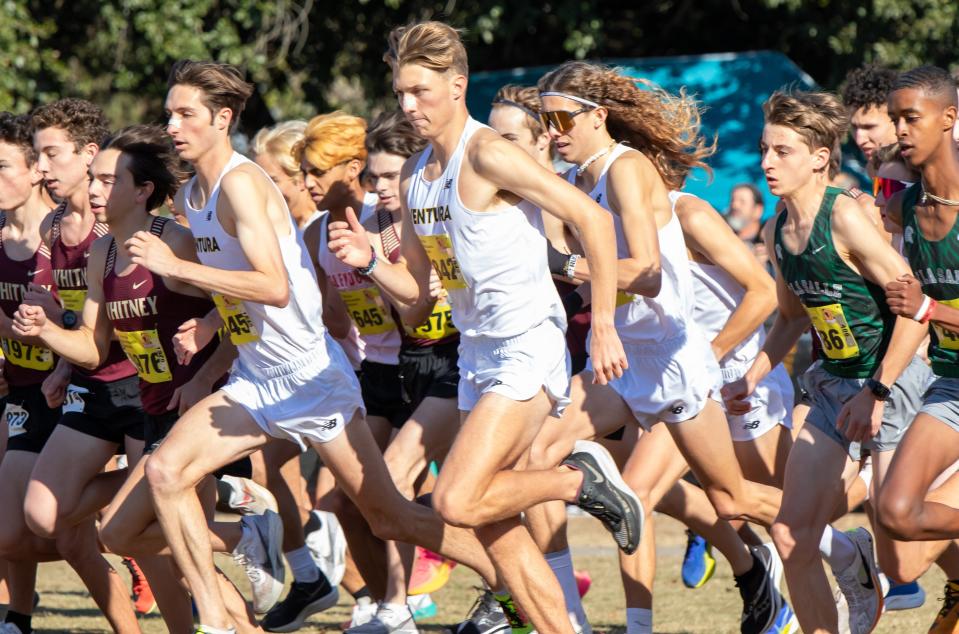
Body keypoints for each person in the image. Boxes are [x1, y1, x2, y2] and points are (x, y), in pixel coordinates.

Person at [130, 59, 505, 634]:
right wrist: (205, 317)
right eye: (169, 114)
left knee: (389, 516)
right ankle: (216, 620)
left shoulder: (242, 183)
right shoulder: (197, 193)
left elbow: (273, 288)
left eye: (185, 114)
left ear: (222, 119)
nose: (173, 125)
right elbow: (229, 284)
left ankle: (509, 583)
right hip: (257, 378)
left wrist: (176, 265)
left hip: (310, 378)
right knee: (165, 472)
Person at [327, 22, 640, 634]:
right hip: (477, 353)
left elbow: (594, 223)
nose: (408, 105)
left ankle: (579, 479)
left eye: (419, 91)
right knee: (493, 525)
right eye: (399, 93)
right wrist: (371, 263)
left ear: (457, 86)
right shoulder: (417, 177)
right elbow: (418, 302)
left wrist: (603, 325)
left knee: (455, 499)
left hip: (527, 341)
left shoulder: (489, 152)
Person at [519, 60, 788, 634]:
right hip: (622, 363)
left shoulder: (641, 178)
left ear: (598, 116)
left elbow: (646, 272)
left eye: (561, 118)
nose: (554, 131)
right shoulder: (576, 183)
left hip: (679, 361)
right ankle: (570, 617)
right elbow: (562, 264)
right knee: (540, 451)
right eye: (545, 122)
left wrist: (713, 360)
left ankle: (842, 546)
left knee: (729, 498)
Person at [723, 89, 932, 634]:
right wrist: (750, 376)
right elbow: (791, 319)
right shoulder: (776, 231)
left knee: (903, 558)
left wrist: (879, 391)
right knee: (791, 533)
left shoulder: (844, 218)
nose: (767, 162)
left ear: (819, 157)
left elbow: (914, 309)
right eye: (764, 149)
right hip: (835, 386)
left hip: (895, 381)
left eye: (782, 151)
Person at [22, 98, 144, 634]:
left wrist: (55, 331)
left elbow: (115, 319)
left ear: (88, 154)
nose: (41, 168)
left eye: (51, 155)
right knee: (45, 516)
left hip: (141, 385)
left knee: (139, 531)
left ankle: (170, 492)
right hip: (89, 382)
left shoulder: (114, 227)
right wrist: (60, 363)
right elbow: (72, 317)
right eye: (37, 156)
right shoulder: (52, 226)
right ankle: (151, 490)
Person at [878, 64, 959, 633]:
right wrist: (877, 386)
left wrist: (930, 310)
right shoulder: (905, 207)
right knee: (895, 514)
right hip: (952, 383)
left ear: (949, 119)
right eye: (895, 119)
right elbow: (909, 311)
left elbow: (920, 307)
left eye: (912, 117)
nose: (900, 130)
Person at [0, 111, 61, 634]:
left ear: (36, 170)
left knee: (17, 527)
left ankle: (119, 545)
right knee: (7, 531)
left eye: (2, 167)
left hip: (74, 390)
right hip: (19, 389)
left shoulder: (65, 234)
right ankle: (16, 616)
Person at [251, 121, 320, 231]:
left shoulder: (330, 228)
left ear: (302, 178)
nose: (260, 190)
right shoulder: (272, 229)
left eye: (272, 180)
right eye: (257, 181)